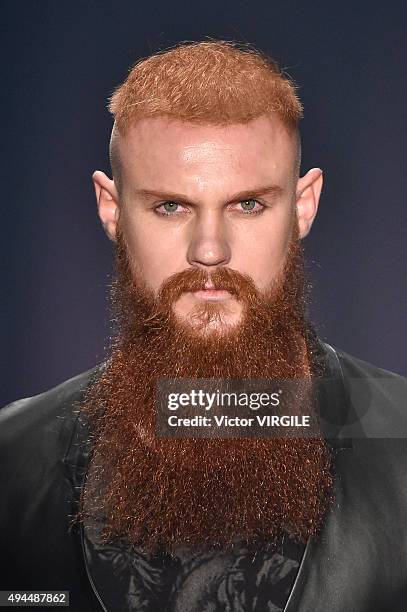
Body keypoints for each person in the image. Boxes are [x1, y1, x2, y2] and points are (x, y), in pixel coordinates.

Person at [1, 40, 407, 612]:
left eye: (248, 205)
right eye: (171, 207)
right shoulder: (11, 460)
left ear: (303, 206)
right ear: (112, 210)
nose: (210, 250)